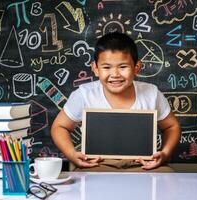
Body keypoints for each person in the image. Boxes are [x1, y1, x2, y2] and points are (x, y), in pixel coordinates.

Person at [51, 32, 181, 172]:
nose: (115, 74)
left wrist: (164, 153)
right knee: (83, 180)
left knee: (167, 174)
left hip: (143, 164)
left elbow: (172, 126)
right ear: (95, 69)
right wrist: (72, 154)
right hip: (98, 164)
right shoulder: (84, 94)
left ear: (137, 67)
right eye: (106, 67)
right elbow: (59, 126)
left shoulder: (151, 93)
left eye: (123, 67)